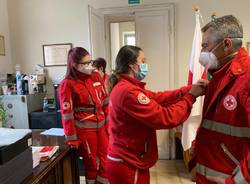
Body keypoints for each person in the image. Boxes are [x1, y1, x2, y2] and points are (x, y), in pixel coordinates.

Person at [106, 45, 208, 184]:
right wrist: (190, 97)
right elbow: (165, 118)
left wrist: (189, 89)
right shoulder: (129, 92)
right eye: (143, 61)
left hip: (128, 158)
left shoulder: (127, 87)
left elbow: (158, 97)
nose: (145, 65)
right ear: (131, 65)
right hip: (127, 163)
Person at [193, 15, 250, 184]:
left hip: (229, 178)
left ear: (226, 44)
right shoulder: (219, 75)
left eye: (205, 46)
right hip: (208, 173)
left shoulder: (246, 80)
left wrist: (238, 181)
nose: (202, 53)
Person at [58, 47, 109, 184]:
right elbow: (67, 114)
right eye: (85, 63)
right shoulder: (67, 85)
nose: (90, 66)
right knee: (92, 164)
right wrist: (72, 139)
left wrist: (109, 125)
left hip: (102, 127)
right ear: (74, 65)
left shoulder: (96, 76)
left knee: (106, 162)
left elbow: (105, 102)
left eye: (90, 61)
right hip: (85, 130)